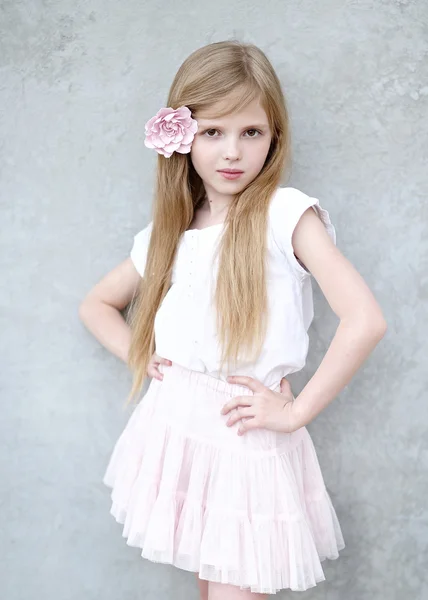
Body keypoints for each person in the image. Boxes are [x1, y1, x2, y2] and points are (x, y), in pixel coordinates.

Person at [79, 40, 387, 599]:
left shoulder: (283, 214)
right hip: (179, 428)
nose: (232, 153)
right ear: (183, 137)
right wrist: (141, 356)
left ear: (274, 137)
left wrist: (293, 412)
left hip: (242, 439)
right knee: (211, 588)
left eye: (252, 133)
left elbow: (364, 319)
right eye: (212, 132)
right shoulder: (171, 233)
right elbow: (96, 305)